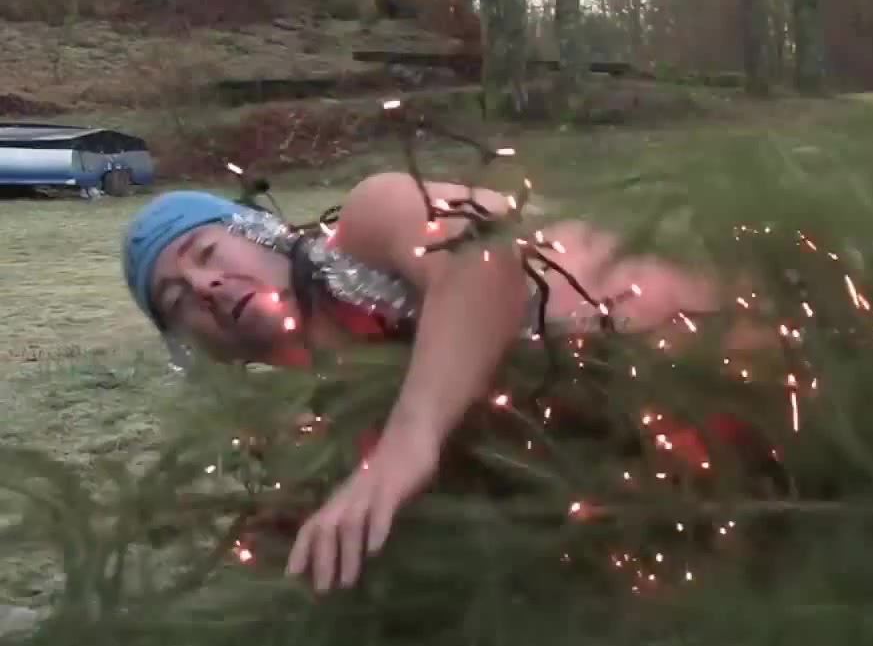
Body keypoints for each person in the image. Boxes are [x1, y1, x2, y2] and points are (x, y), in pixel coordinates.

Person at [122, 172, 753, 593]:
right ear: (199, 350)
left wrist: (409, 441)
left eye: (206, 254)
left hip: (745, 359)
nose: (203, 286)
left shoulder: (366, 227)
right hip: (729, 487)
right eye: (176, 300)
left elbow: (485, 251)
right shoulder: (341, 404)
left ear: (260, 231)